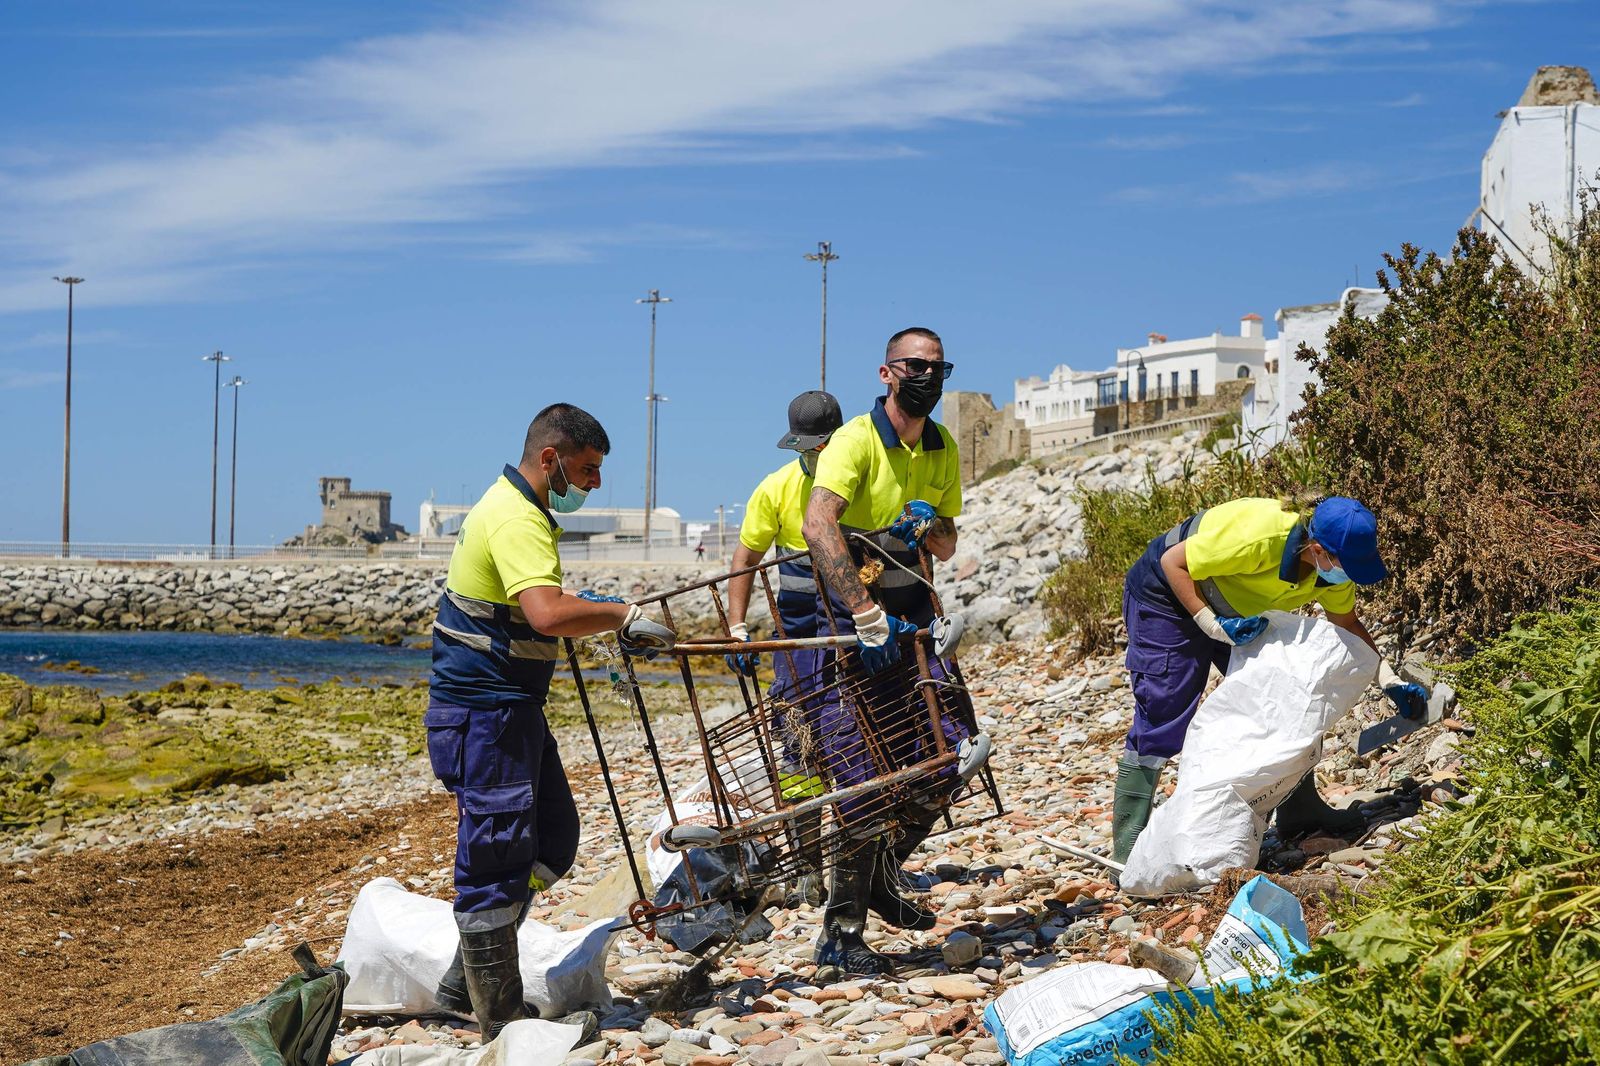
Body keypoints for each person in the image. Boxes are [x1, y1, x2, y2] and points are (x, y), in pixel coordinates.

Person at [425, 403, 675, 1039]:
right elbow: (543, 614)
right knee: (496, 858)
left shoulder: (521, 511)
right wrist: (619, 615)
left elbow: (532, 610)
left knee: (553, 840)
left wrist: (594, 616)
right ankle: (498, 1015)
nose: (593, 484)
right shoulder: (515, 518)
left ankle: (465, 976)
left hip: (511, 710)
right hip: (485, 716)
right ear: (550, 458)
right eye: (587, 469)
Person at [1111, 494, 1431, 864]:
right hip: (1166, 592)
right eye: (1348, 565)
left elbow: (1346, 624)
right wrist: (1210, 623)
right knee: (1165, 710)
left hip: (1235, 610)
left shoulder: (1332, 572)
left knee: (1282, 697)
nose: (1351, 575)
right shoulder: (1260, 536)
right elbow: (1173, 563)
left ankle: (1300, 810)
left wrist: (1388, 679)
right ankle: (1128, 846)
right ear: (1317, 549)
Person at [801, 326, 980, 977]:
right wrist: (864, 612)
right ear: (887, 372)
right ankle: (841, 933)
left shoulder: (942, 446)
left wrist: (926, 524)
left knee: (948, 758)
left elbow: (948, 547)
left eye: (936, 366)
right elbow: (818, 524)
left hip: (918, 626)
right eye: (914, 365)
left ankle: (880, 874)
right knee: (861, 775)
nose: (925, 376)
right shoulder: (854, 440)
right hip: (859, 631)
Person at [722, 390, 844, 904]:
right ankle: (808, 865)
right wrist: (736, 626)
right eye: (805, 448)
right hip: (794, 635)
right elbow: (746, 556)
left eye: (821, 447)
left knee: (865, 733)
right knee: (797, 747)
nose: (812, 457)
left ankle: (872, 858)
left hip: (851, 623)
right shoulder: (776, 488)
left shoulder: (856, 478)